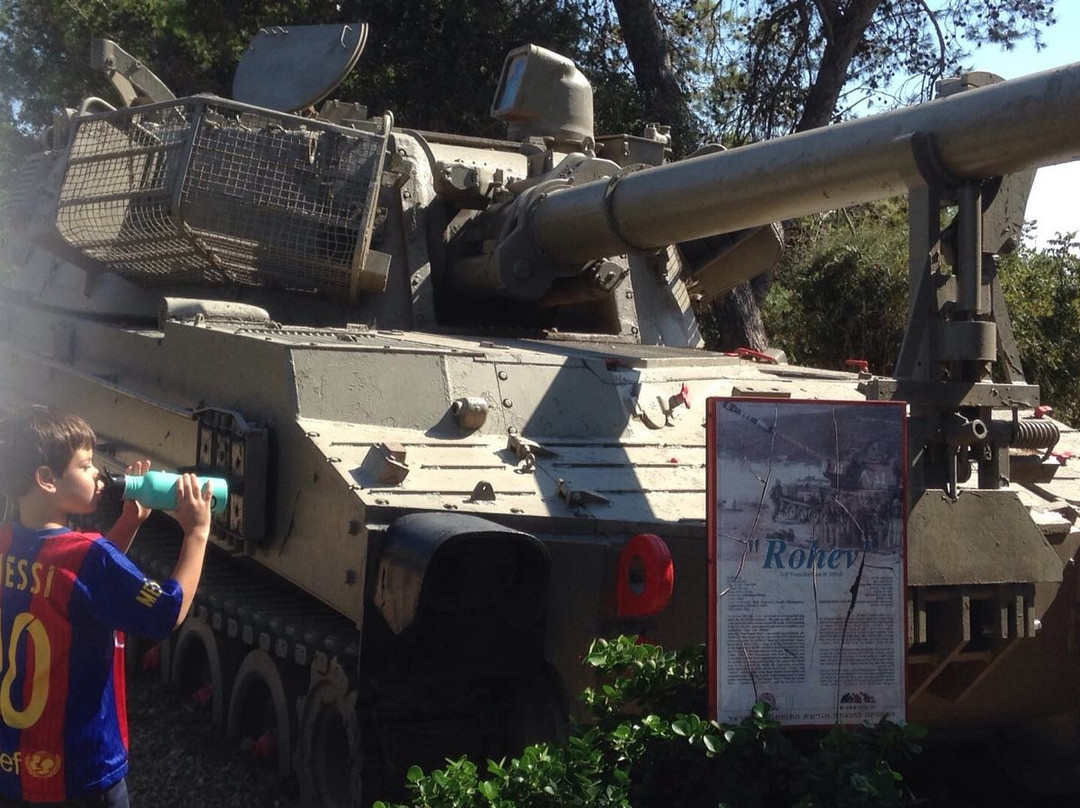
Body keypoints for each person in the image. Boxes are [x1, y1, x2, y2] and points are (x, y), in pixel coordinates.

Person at [0, 405, 213, 807]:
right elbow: (165, 613)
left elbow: (78, 586)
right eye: (85, 465)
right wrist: (197, 534)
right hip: (83, 773)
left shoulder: (7, 542)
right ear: (46, 479)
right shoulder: (90, 556)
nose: (98, 473)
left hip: (14, 772)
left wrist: (129, 522)